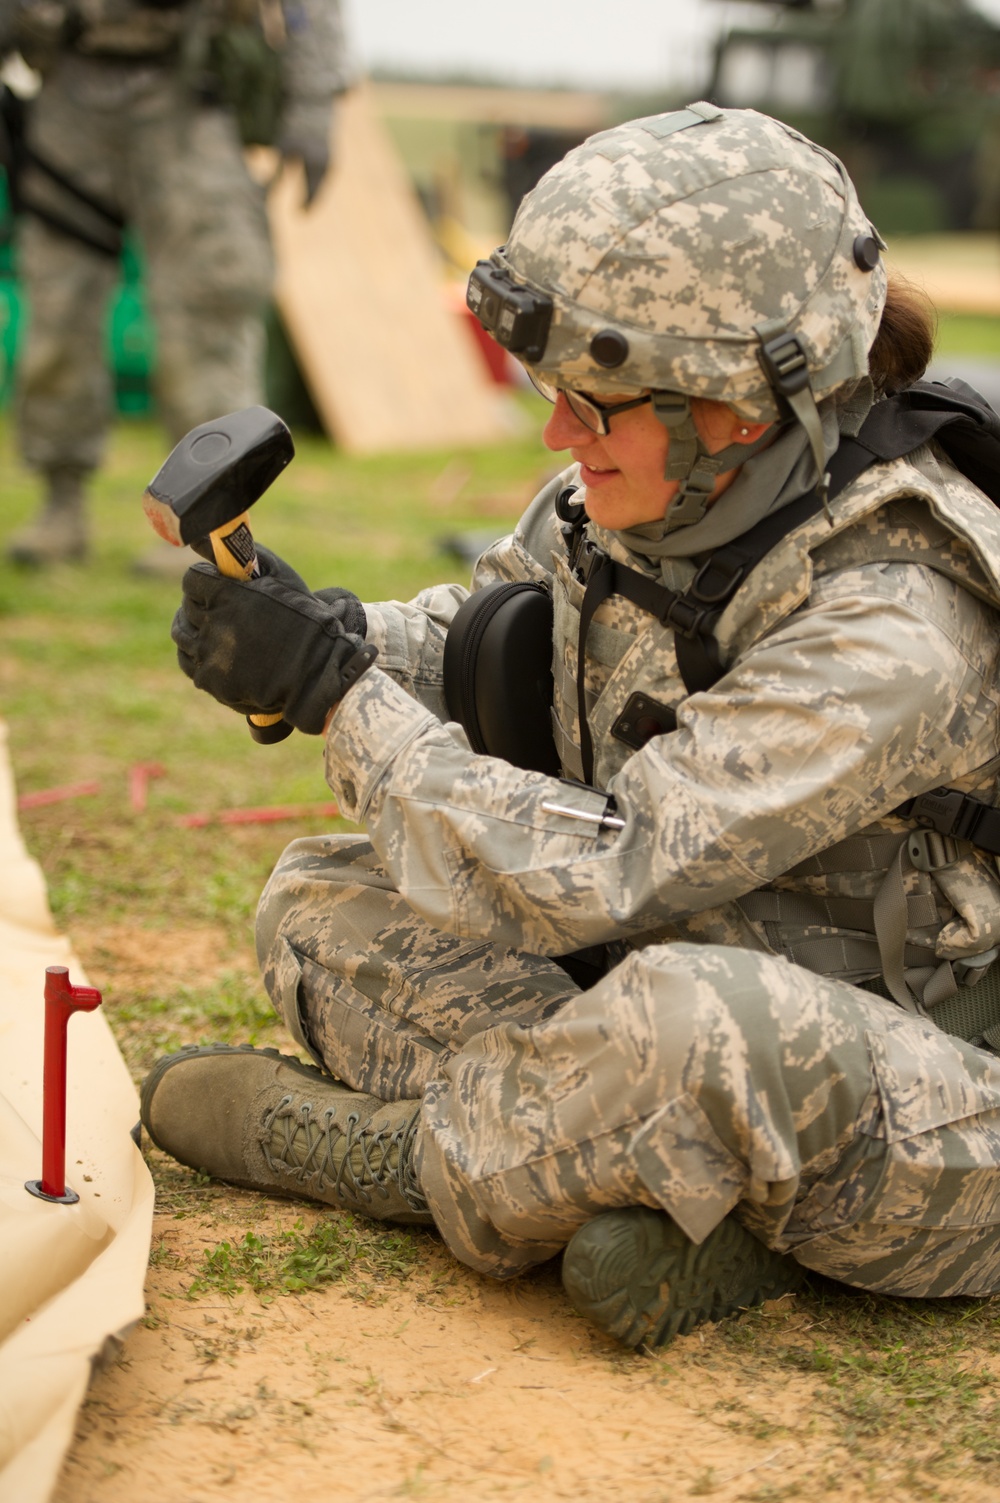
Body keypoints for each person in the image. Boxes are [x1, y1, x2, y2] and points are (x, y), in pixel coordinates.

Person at [140, 104, 1000, 1350]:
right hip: (681, 979)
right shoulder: (632, 502)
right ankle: (649, 1183)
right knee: (321, 900)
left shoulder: (892, 616)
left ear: (738, 408)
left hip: (931, 1092)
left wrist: (339, 705)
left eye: (596, 402)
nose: (558, 432)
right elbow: (499, 634)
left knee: (690, 1032)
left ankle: (403, 1163)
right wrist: (334, 638)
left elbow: (607, 870)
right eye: (552, 390)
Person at [0, 0, 350, 567]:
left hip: (190, 87)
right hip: (68, 87)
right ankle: (58, 504)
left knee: (213, 294)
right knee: (56, 298)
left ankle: (208, 518)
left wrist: (312, 106)